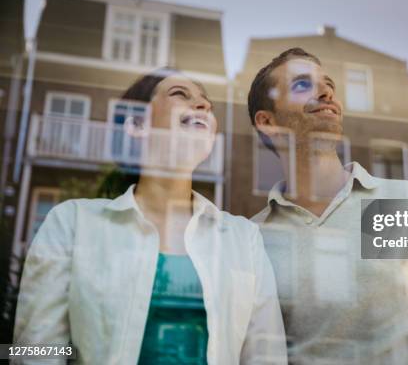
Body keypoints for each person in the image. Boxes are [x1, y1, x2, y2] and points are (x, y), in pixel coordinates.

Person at [14, 68, 287, 364]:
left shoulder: (243, 238)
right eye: (180, 94)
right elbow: (32, 351)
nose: (204, 106)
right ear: (136, 124)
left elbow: (267, 357)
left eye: (207, 103)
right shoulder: (72, 223)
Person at [248, 48, 408, 364]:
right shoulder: (250, 239)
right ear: (267, 122)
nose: (326, 92)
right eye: (302, 85)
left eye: (328, 84)